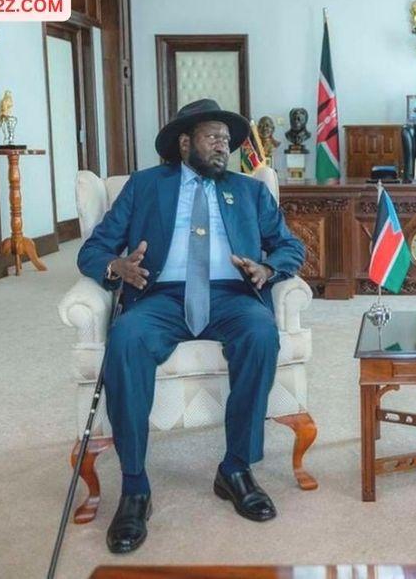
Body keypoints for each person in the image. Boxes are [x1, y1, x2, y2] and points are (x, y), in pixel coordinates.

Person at [77, 98, 305, 554]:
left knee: (261, 332)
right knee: (125, 337)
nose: (224, 145)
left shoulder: (250, 191)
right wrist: (116, 266)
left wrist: (267, 270)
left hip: (230, 294)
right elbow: (92, 249)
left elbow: (290, 246)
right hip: (160, 294)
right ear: (185, 143)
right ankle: (135, 486)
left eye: (227, 139)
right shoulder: (145, 187)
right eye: (213, 137)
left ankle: (236, 468)